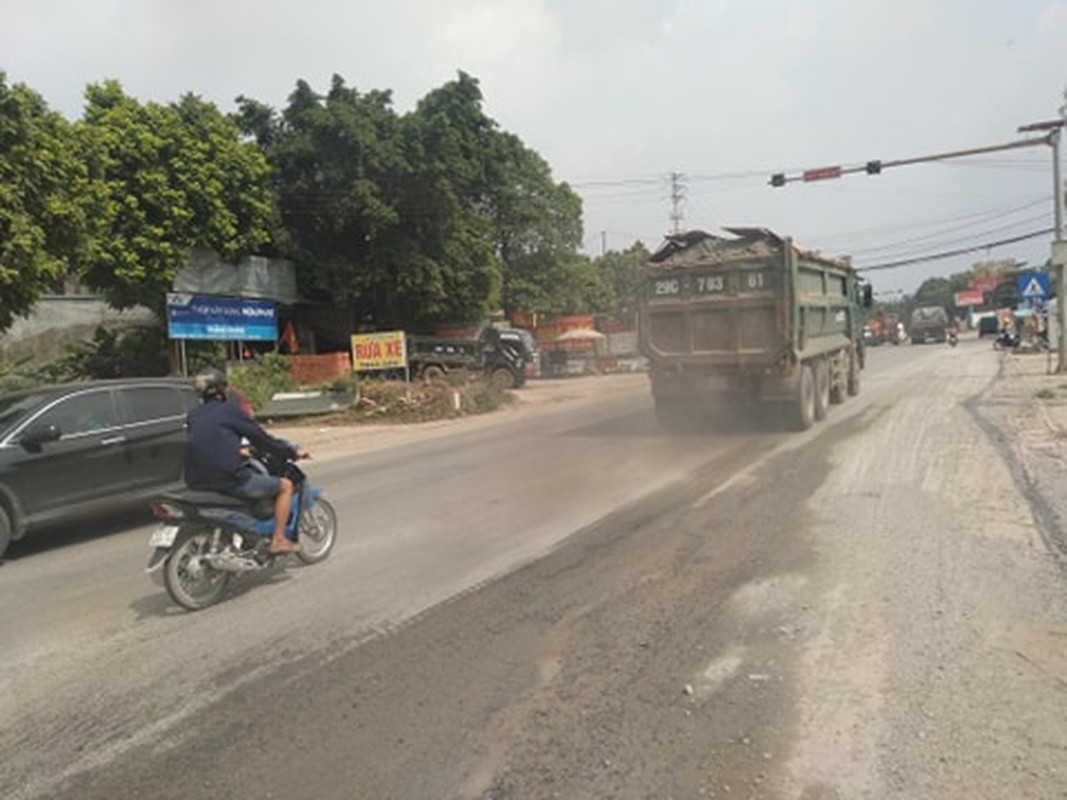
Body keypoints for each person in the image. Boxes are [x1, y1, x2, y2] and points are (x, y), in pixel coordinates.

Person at [184, 367, 309, 555]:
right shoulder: (228, 411)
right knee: (285, 486)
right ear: (220, 390)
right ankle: (279, 539)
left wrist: (237, 450)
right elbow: (261, 439)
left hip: (196, 481)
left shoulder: (193, 415)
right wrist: (291, 451)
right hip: (228, 479)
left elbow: (210, 442)